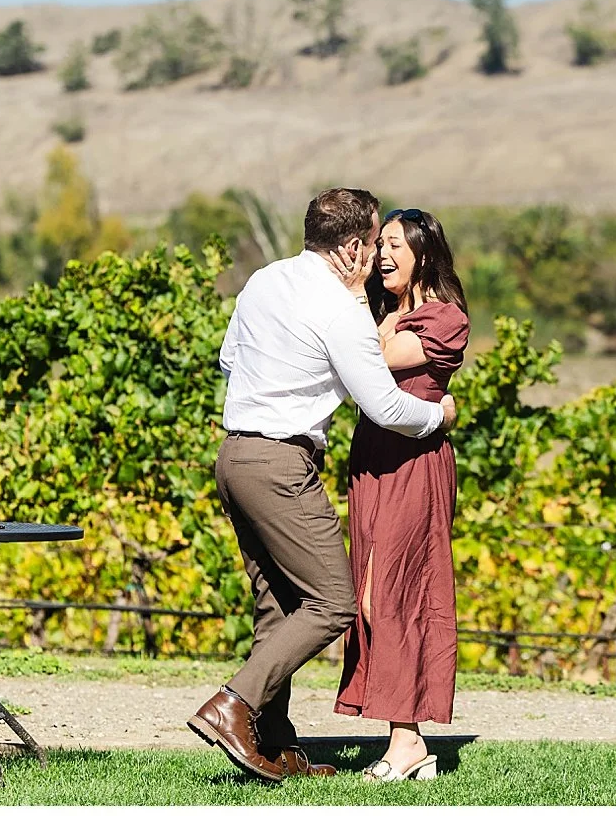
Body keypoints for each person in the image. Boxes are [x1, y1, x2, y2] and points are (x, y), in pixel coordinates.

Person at [187, 187, 458, 784]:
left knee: (279, 605)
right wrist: (440, 416)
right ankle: (233, 704)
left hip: (234, 455)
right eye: (375, 243)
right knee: (332, 602)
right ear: (357, 246)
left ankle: (274, 744)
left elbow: (230, 358)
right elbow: (386, 407)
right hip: (282, 464)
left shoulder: (264, 279)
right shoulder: (341, 311)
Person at [327, 207, 469, 783]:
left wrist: (357, 293)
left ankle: (407, 744)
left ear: (423, 252)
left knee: (393, 593)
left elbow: (377, 363)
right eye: (376, 244)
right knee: (367, 592)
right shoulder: (385, 311)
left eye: (391, 245)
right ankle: (405, 740)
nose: (380, 254)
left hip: (415, 464)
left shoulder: (445, 317)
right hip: (372, 463)